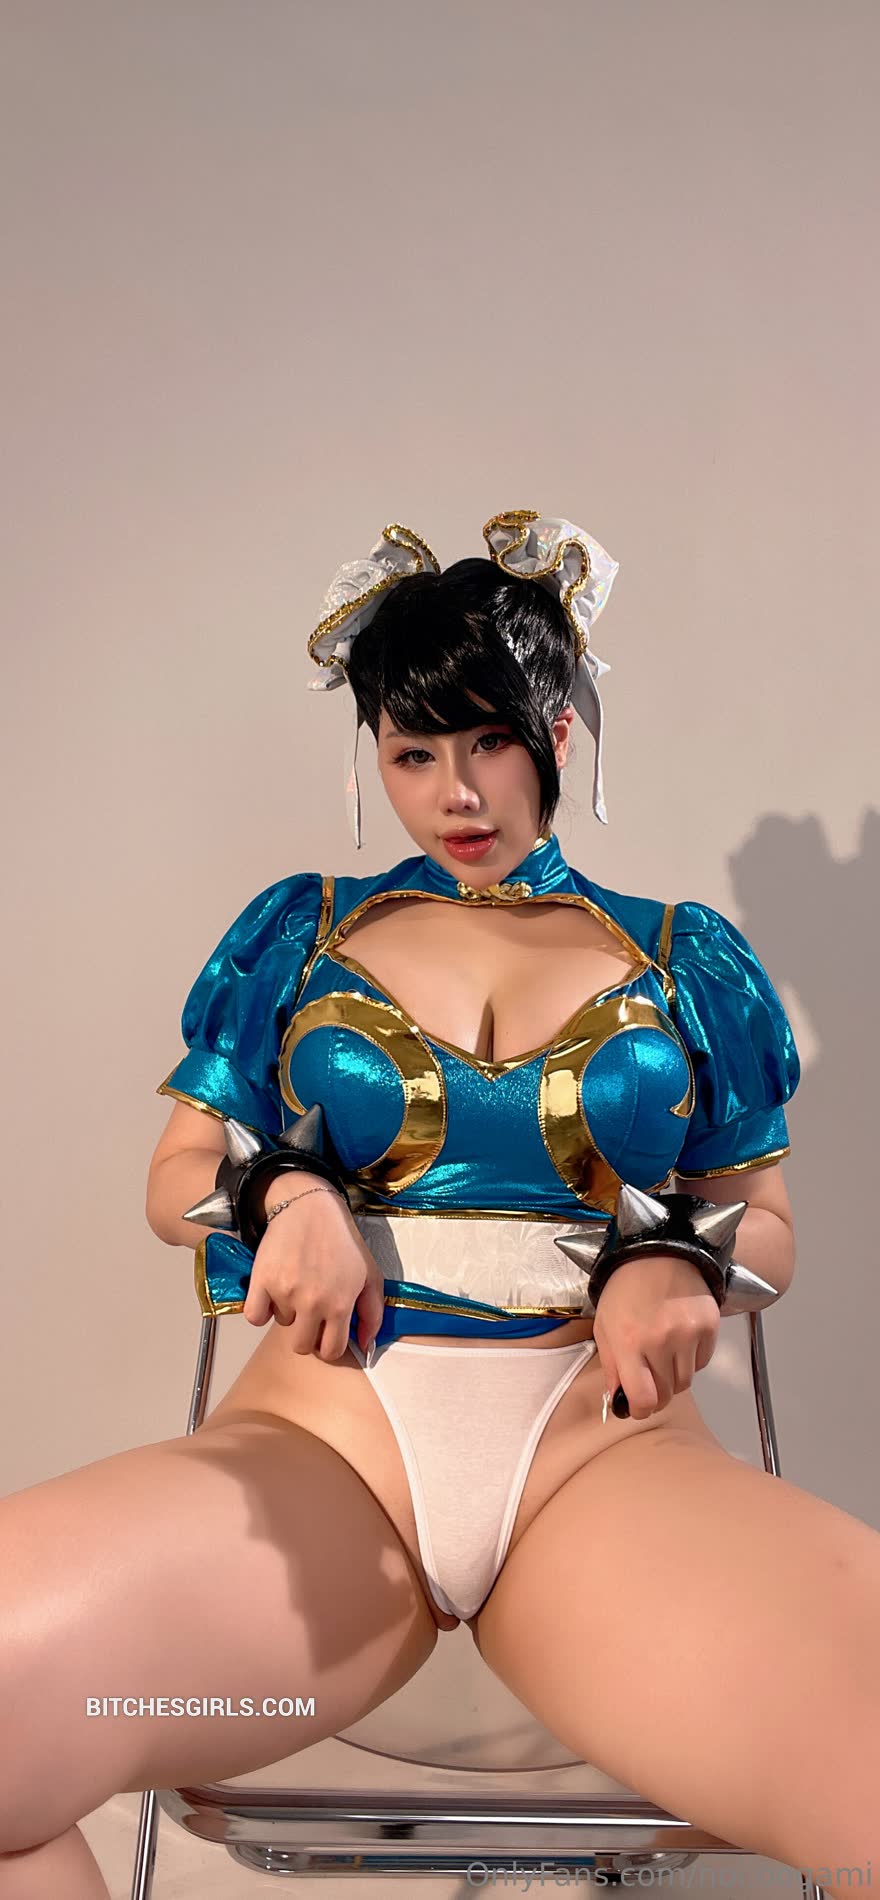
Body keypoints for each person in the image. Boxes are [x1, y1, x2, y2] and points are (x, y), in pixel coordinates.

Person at [1, 514, 878, 1897]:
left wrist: (674, 1257)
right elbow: (176, 1181)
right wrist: (284, 1191)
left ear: (559, 733)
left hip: (606, 1470)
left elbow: (765, 1224)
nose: (456, 794)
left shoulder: (681, 957)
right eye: (414, 754)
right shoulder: (305, 932)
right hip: (322, 1460)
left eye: (490, 742)